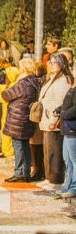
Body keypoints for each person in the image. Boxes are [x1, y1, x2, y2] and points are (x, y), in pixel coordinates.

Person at [1, 58, 42, 182]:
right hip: (27, 118)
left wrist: (11, 85)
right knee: (25, 145)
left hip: (18, 118)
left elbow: (6, 95)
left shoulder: (23, 83)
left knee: (18, 145)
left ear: (23, 68)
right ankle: (26, 173)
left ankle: (20, 173)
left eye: (20, 67)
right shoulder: (35, 81)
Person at [37, 53, 72, 191]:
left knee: (55, 151)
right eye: (50, 62)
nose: (51, 65)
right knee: (48, 151)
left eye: (54, 62)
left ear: (61, 64)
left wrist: (54, 120)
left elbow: (61, 102)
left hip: (54, 120)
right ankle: (49, 177)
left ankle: (56, 180)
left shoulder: (63, 80)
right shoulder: (53, 78)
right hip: (47, 119)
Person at [59, 86, 76, 198]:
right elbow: (67, 104)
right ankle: (67, 186)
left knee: (74, 160)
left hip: (72, 128)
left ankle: (74, 188)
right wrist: (58, 109)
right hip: (67, 128)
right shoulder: (73, 87)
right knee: (67, 159)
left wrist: (64, 114)